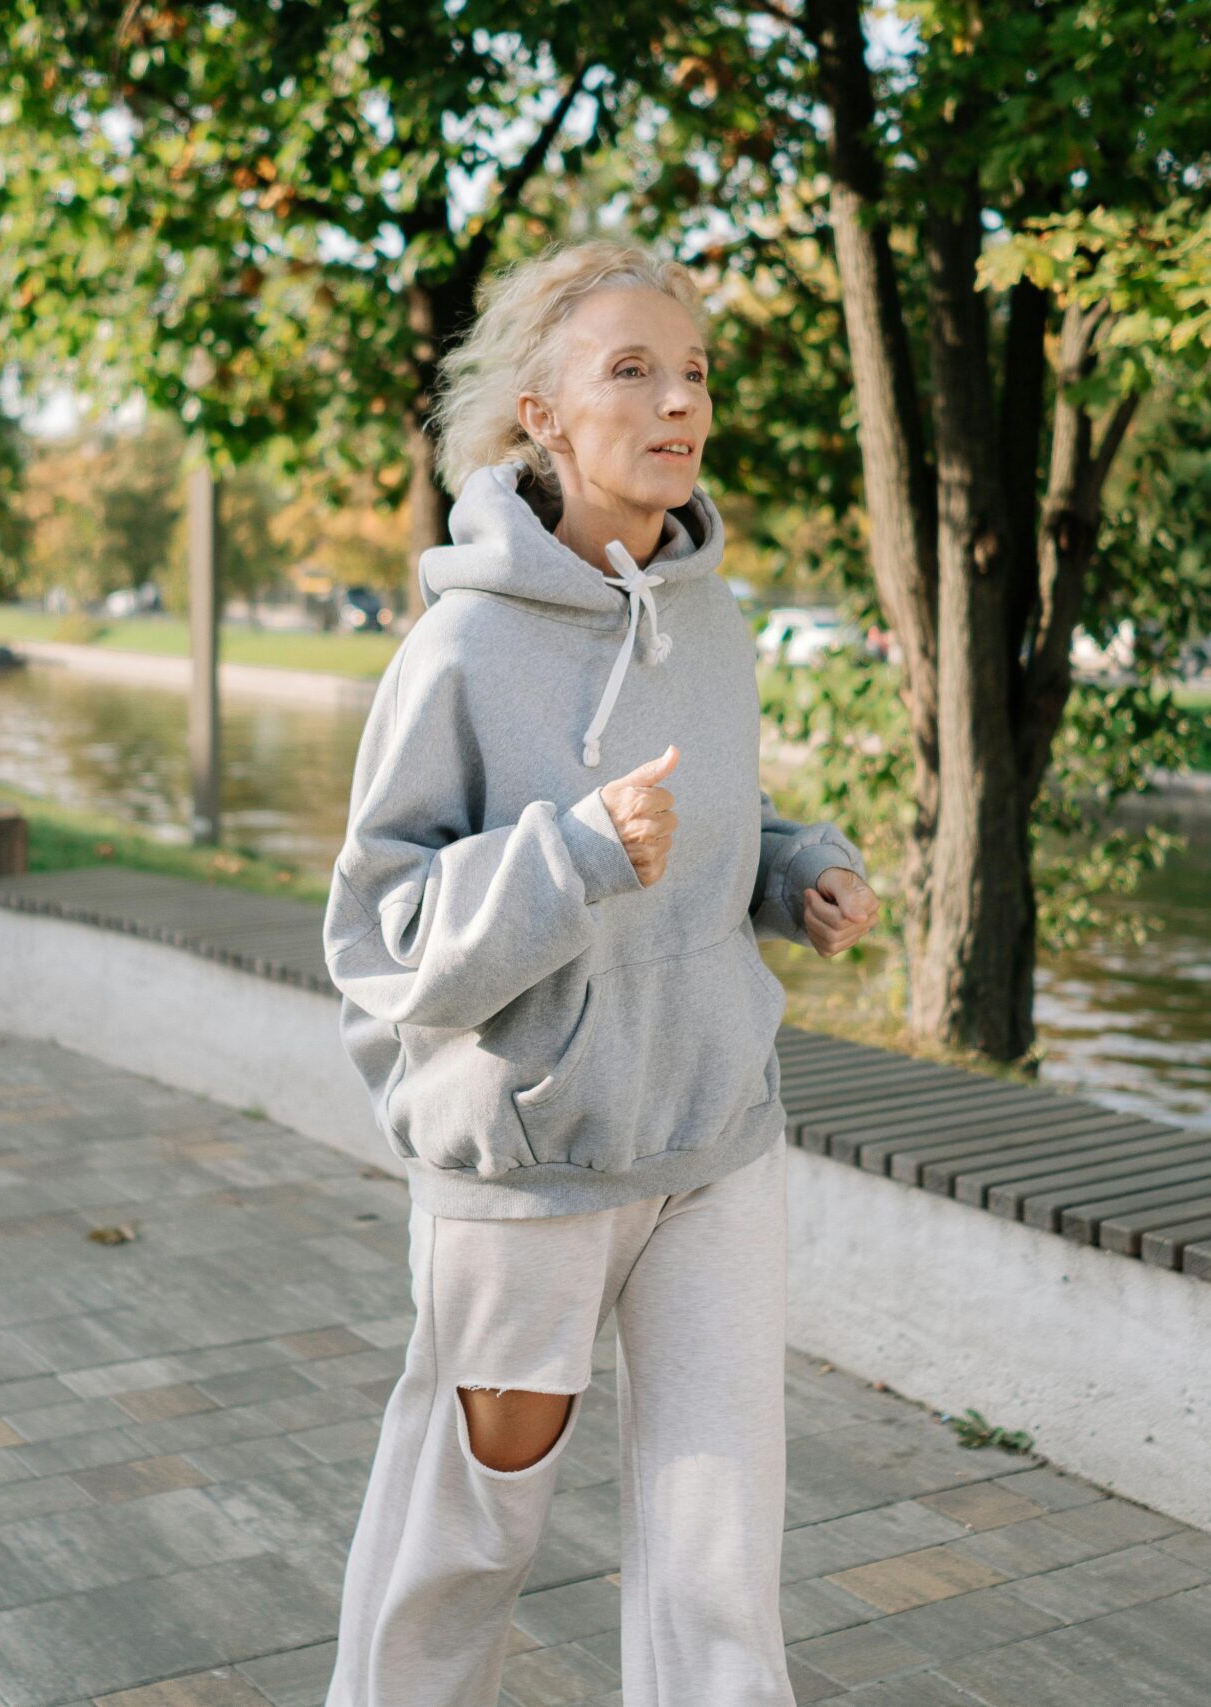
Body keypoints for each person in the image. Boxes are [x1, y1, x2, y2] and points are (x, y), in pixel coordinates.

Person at [318, 238, 881, 1707]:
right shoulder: (460, 646)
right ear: (541, 415)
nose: (676, 401)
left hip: (714, 1138)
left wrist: (790, 866)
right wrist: (567, 856)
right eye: (630, 370)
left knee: (719, 1554)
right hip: (531, 1168)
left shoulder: (716, 618)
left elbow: (718, 817)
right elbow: (377, 934)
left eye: (692, 372)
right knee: (473, 1529)